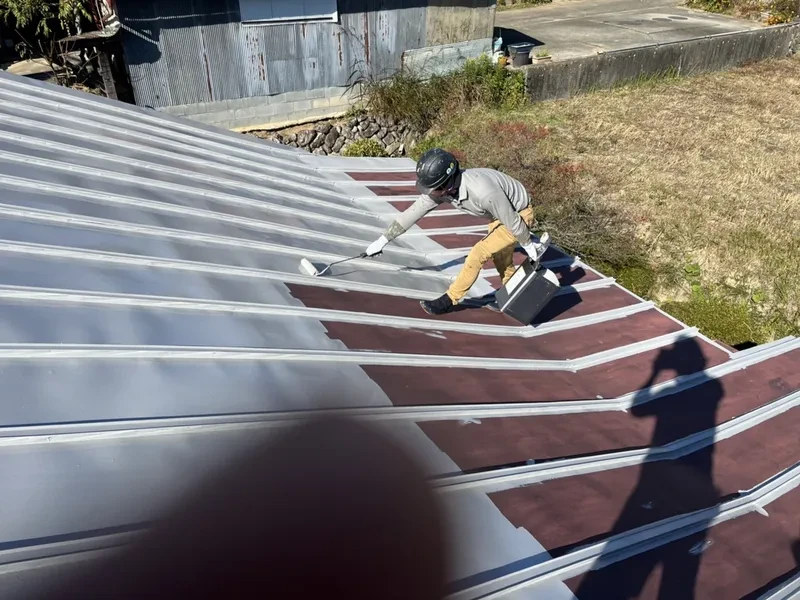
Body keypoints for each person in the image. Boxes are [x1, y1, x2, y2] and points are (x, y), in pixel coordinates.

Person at [364, 148, 550, 315]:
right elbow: (413, 212)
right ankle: (513, 291)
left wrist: (527, 244)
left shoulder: (482, 192)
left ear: (447, 184)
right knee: (500, 256)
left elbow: (512, 219)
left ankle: (449, 300)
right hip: (499, 215)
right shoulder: (441, 191)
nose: (430, 193)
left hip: (518, 214)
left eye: (433, 189)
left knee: (479, 253)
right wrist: (383, 240)